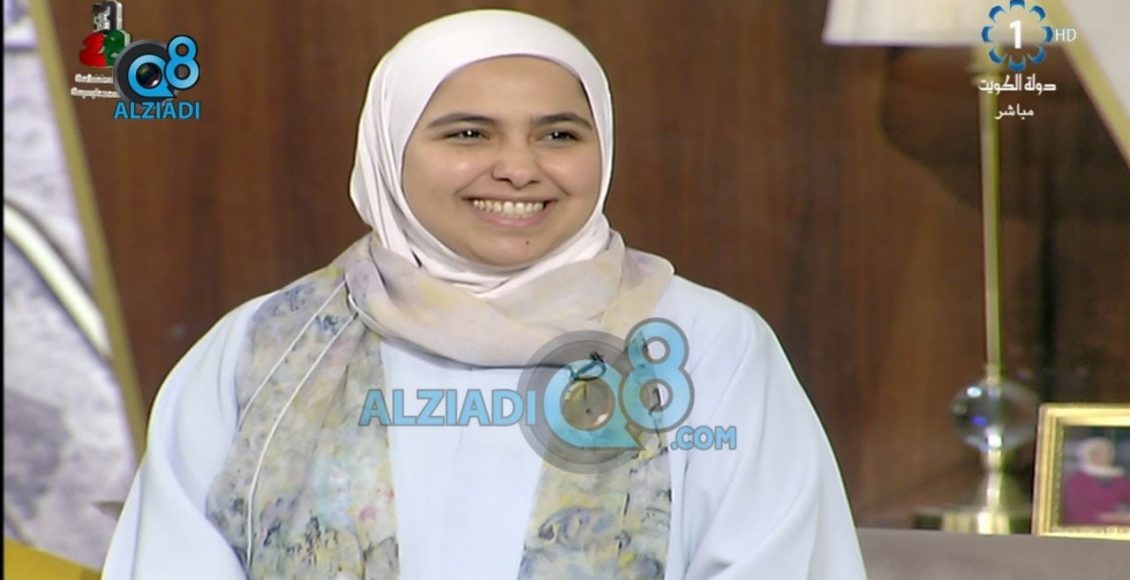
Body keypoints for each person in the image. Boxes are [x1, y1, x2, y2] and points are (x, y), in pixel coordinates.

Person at [102, 9, 867, 579]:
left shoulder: (704, 344)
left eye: (559, 135)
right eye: (468, 133)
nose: (518, 168)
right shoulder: (265, 349)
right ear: (388, 150)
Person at [1062, 437, 1130, 526]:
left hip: (1116, 524)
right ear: (1088, 455)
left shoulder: (1117, 478)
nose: (1104, 456)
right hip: (1086, 525)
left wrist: (1121, 517)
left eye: (1107, 453)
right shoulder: (1077, 479)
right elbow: (1074, 507)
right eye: (1098, 453)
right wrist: (1105, 518)